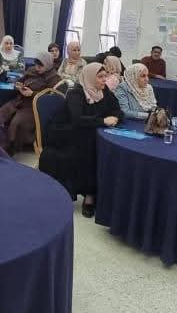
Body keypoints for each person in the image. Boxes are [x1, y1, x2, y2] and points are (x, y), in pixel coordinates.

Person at [38, 63, 122, 218]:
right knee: (90, 148)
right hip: (65, 132)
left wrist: (115, 117)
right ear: (90, 77)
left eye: (105, 76)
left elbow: (117, 109)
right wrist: (103, 121)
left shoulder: (104, 91)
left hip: (87, 130)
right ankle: (89, 195)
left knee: (94, 142)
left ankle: (97, 193)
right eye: (100, 76)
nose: (104, 80)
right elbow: (77, 119)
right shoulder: (76, 93)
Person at [0, 51, 59, 152]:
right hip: (19, 101)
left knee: (17, 123)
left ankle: (10, 148)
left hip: (34, 106)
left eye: (40, 66)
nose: (37, 68)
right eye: (36, 65)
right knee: (0, 115)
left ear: (48, 64)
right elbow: (20, 81)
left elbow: (50, 97)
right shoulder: (32, 70)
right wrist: (19, 86)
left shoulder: (54, 78)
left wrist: (32, 93)